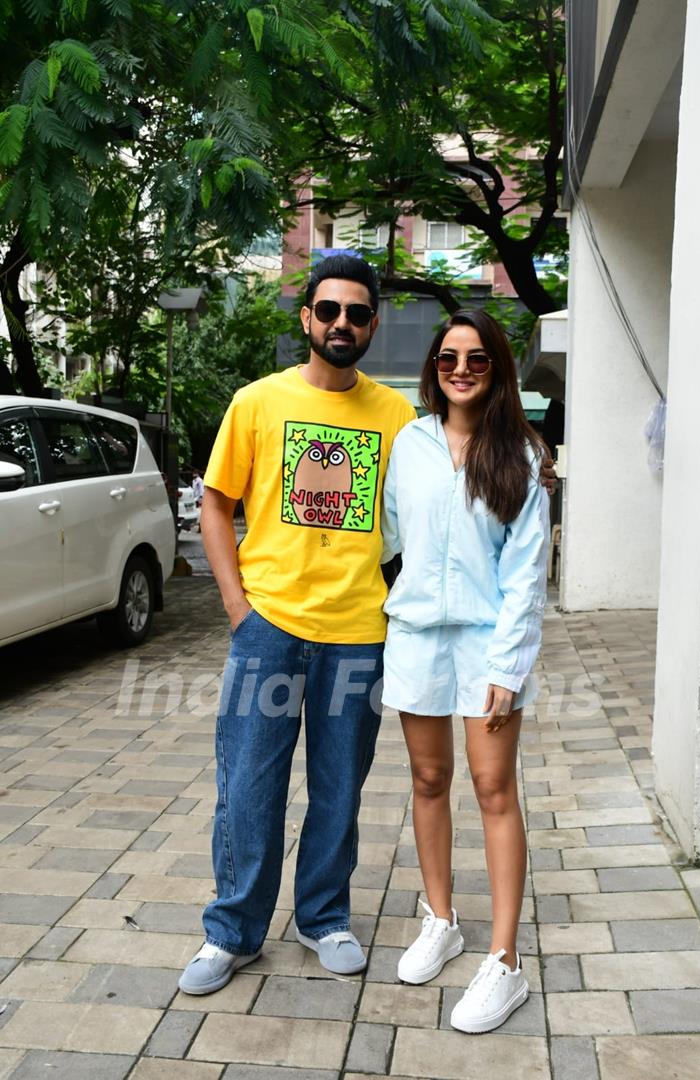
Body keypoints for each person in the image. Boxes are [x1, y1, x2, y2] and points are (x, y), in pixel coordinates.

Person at [178, 255, 416, 994]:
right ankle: (233, 932)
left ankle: (323, 917)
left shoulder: (398, 418)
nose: (341, 323)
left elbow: (422, 518)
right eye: (329, 310)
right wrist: (236, 606)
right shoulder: (256, 403)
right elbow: (216, 503)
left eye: (357, 313)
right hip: (269, 626)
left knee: (339, 788)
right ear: (307, 319)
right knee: (248, 785)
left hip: (357, 631)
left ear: (372, 324)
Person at [380, 308, 549, 1034]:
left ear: (497, 369)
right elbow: (387, 536)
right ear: (434, 367)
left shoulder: (520, 457)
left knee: (491, 787)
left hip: (487, 643)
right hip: (417, 636)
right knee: (428, 780)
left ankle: (505, 962)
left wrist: (508, 667)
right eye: (450, 358)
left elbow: (526, 572)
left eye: (477, 359)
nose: (461, 370)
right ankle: (441, 919)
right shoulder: (409, 445)